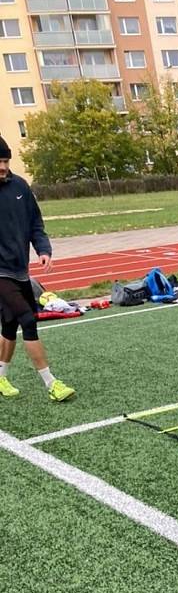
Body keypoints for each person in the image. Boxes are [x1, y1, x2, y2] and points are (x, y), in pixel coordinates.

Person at [0, 135, 75, 402]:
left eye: (5, 160)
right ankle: (52, 384)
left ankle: (0, 376)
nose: (3, 166)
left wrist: (43, 250)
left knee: (9, 324)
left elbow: (35, 224)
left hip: (19, 269)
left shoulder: (20, 186)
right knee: (28, 320)